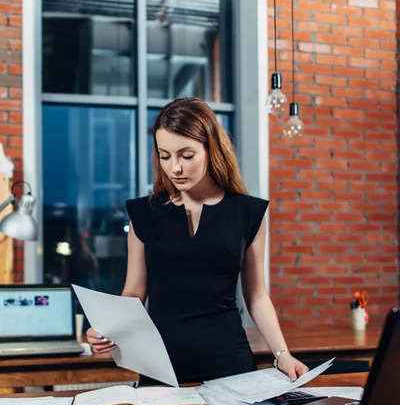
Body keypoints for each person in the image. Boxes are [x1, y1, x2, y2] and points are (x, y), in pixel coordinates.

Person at [86, 97, 308, 384]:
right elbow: (133, 293)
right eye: (165, 156)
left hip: (231, 363)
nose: (174, 168)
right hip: (160, 366)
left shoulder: (248, 212)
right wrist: (106, 329)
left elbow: (256, 296)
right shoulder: (144, 213)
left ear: (210, 150)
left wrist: (282, 353)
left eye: (186, 155)